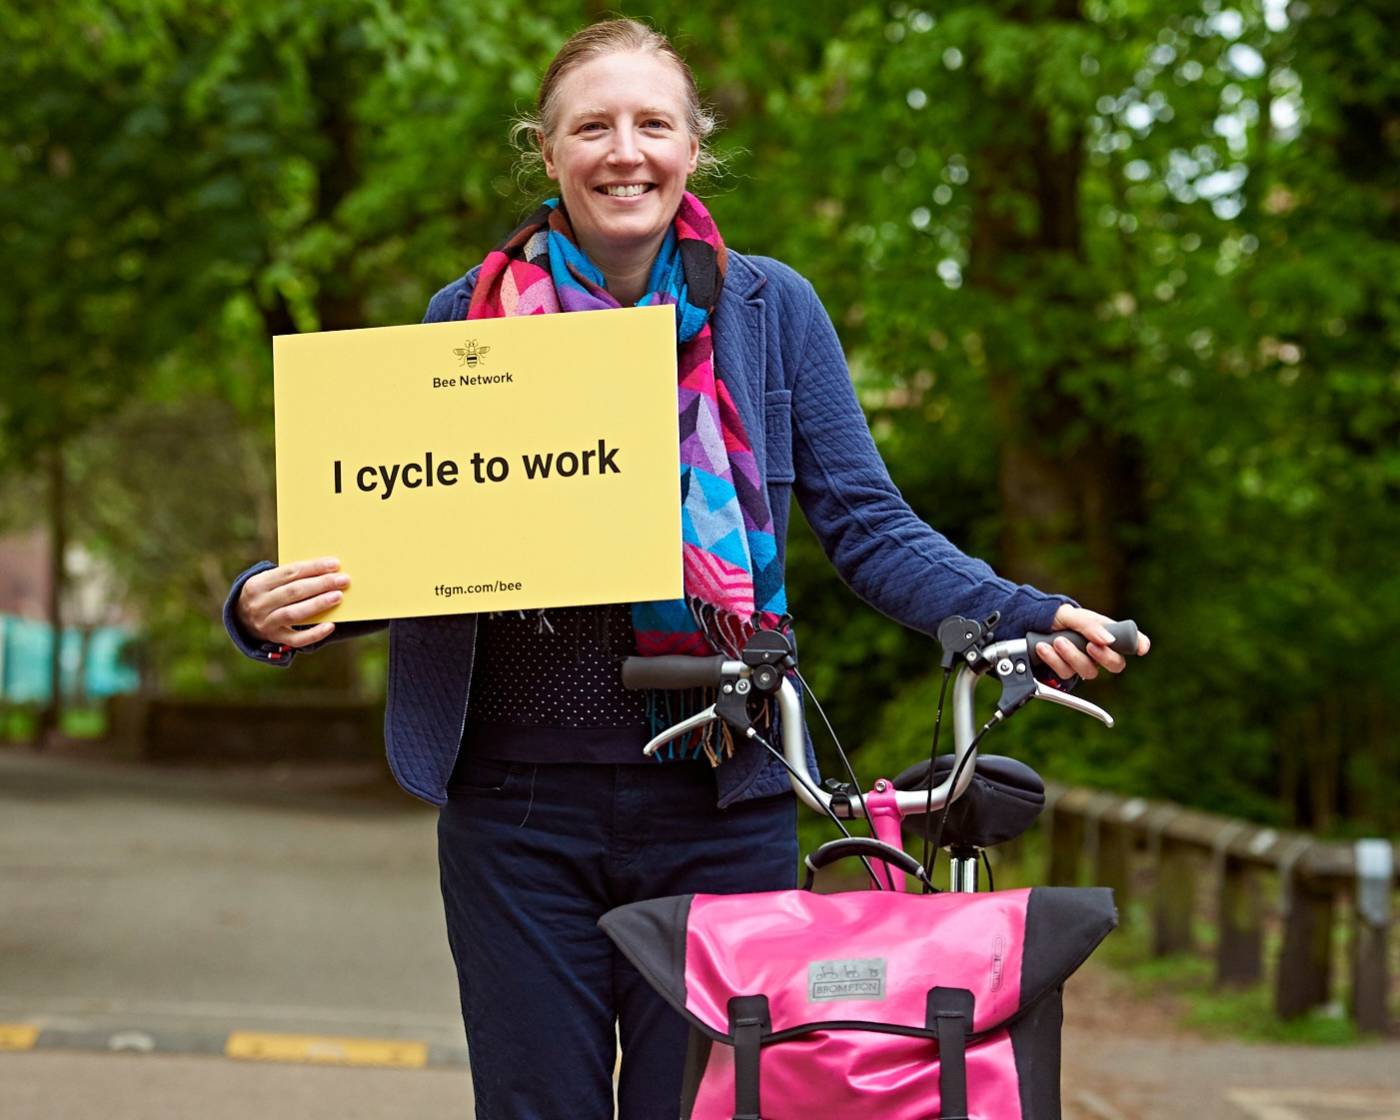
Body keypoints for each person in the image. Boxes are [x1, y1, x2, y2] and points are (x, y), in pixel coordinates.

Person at [224, 18, 1149, 1119]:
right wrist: (265, 605)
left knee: (708, 1105)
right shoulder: (462, 321)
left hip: (719, 797)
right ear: (547, 151)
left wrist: (1016, 610)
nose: (625, 151)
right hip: (516, 809)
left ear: (693, 147)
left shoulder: (771, 311)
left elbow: (863, 521)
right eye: (592, 127)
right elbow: (423, 545)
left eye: (652, 124)